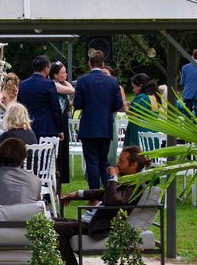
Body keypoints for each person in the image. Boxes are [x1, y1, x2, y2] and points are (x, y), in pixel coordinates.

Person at [54, 146, 152, 265]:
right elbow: (104, 193)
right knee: (51, 221)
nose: (117, 163)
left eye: (122, 161)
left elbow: (113, 200)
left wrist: (113, 177)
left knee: (55, 227)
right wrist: (78, 193)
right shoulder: (128, 181)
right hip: (92, 219)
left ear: (134, 165)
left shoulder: (136, 186)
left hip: (99, 226)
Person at [73, 50, 123, 190]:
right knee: (103, 161)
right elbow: (118, 104)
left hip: (88, 127)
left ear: (89, 63)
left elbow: (77, 104)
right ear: (103, 64)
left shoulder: (82, 81)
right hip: (105, 126)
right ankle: (108, 192)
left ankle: (94, 193)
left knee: (91, 162)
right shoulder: (112, 81)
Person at [17, 55, 63, 140]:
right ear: (46, 68)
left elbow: (19, 106)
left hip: (27, 127)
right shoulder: (49, 84)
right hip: (47, 128)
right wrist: (60, 129)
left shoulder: (22, 85)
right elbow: (56, 109)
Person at [0, 102, 37, 168]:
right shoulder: (31, 134)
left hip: (11, 174)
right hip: (31, 172)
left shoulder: (8, 135)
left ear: (9, 117)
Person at [49, 61, 74, 184]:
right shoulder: (54, 85)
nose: (66, 75)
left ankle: (62, 178)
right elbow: (71, 90)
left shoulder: (59, 83)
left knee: (64, 149)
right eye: (63, 73)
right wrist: (65, 82)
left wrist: (64, 80)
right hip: (58, 120)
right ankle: (59, 177)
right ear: (55, 75)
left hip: (63, 117)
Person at [123, 73, 162, 148]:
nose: (133, 90)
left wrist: (125, 106)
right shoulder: (154, 96)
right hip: (152, 132)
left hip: (139, 132)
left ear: (140, 86)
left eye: (134, 87)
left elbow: (132, 114)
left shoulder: (142, 97)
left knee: (135, 156)